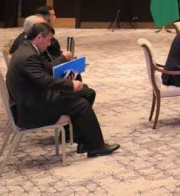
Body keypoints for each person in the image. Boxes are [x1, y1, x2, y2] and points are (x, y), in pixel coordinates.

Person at [6, 22, 118, 157]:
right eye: (48, 40)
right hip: (31, 110)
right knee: (81, 104)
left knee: (84, 94)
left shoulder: (26, 48)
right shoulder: (29, 56)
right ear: (39, 37)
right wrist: (70, 85)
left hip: (31, 99)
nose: (49, 44)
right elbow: (44, 80)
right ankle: (96, 147)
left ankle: (83, 141)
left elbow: (45, 70)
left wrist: (64, 65)